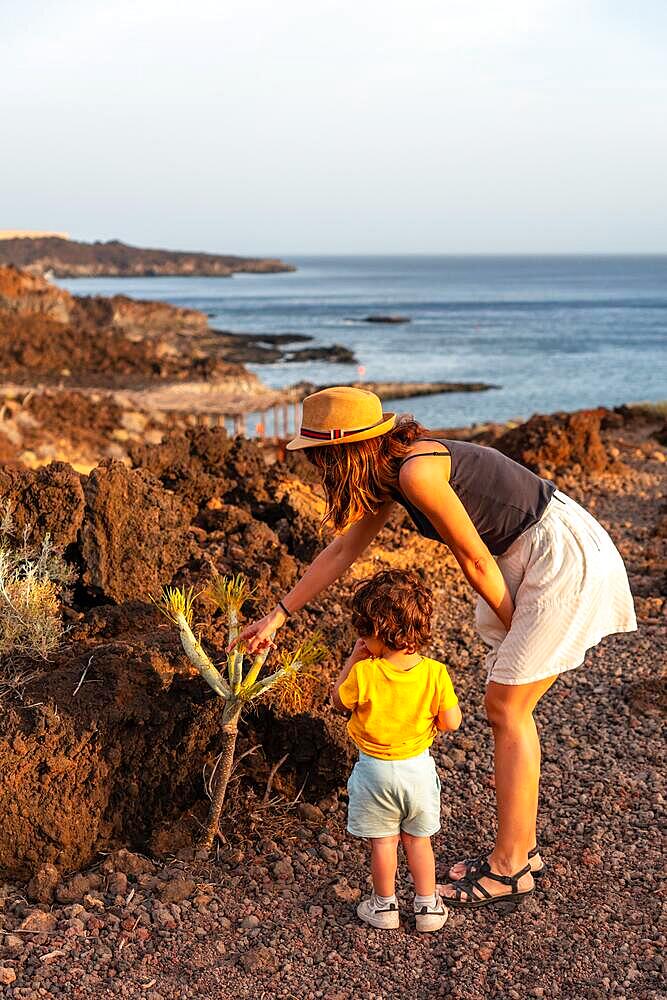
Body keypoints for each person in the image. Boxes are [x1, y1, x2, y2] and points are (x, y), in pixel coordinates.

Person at [235, 386, 636, 908]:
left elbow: (473, 562)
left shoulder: (416, 473)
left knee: (505, 705)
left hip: (554, 550)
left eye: (316, 458)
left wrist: (516, 623)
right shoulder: (391, 472)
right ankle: (521, 849)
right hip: (521, 551)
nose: (314, 469)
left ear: (339, 452)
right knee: (510, 706)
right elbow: (343, 551)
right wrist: (278, 615)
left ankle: (511, 867)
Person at [332, 569, 461, 931]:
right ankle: (427, 907)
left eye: (363, 631)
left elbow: (338, 702)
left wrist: (352, 660)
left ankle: (385, 907)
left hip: (373, 771)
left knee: (384, 843)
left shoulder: (365, 673)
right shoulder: (435, 673)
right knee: (419, 841)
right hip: (417, 771)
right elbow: (451, 722)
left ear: (377, 630)